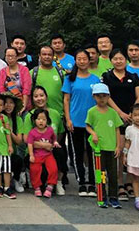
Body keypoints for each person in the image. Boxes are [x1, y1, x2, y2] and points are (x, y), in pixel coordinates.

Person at [101, 48, 139, 200]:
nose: (118, 61)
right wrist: (120, 113)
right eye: (115, 59)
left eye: (121, 58)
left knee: (131, 151)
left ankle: (130, 182)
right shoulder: (106, 77)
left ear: (126, 60)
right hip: (114, 117)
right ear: (111, 61)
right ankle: (119, 183)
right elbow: (107, 96)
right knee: (119, 151)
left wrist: (132, 113)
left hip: (132, 118)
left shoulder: (133, 76)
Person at [63, 49, 100, 197]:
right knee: (77, 153)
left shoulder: (95, 79)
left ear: (89, 60)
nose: (82, 61)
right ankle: (81, 182)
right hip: (75, 120)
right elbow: (66, 100)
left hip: (92, 122)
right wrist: (68, 119)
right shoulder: (69, 79)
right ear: (75, 61)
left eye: (84, 58)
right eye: (79, 59)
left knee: (92, 152)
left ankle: (92, 181)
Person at [85, 82, 123, 208]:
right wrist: (93, 134)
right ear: (94, 97)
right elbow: (88, 126)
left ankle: (114, 197)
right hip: (99, 149)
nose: (102, 99)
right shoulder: (92, 112)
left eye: (104, 96)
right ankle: (102, 195)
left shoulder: (113, 112)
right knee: (101, 174)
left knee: (113, 174)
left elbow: (117, 129)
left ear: (108, 97)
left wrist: (118, 146)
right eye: (98, 96)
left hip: (111, 148)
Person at [31, 86, 67, 195]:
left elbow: (60, 132)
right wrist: (44, 145)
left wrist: (52, 144)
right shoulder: (30, 115)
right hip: (36, 153)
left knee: (60, 152)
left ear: (46, 97)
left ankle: (58, 182)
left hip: (51, 152)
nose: (39, 98)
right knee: (40, 180)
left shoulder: (55, 114)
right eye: (36, 96)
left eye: (41, 95)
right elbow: (27, 139)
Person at [27, 108, 60, 198]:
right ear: (34, 120)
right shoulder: (32, 132)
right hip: (37, 155)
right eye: (38, 119)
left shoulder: (50, 130)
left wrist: (55, 142)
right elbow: (30, 144)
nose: (41, 121)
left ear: (47, 120)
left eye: (43, 119)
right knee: (34, 169)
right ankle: (37, 187)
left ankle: (50, 186)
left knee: (53, 168)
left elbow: (54, 138)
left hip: (48, 155)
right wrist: (31, 155)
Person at [0, 47, 31, 112]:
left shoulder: (24, 70)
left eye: (12, 56)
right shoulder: (3, 71)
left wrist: (23, 106)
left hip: (22, 103)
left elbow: (26, 89)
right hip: (7, 106)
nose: (10, 58)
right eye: (8, 56)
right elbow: (1, 89)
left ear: (17, 57)